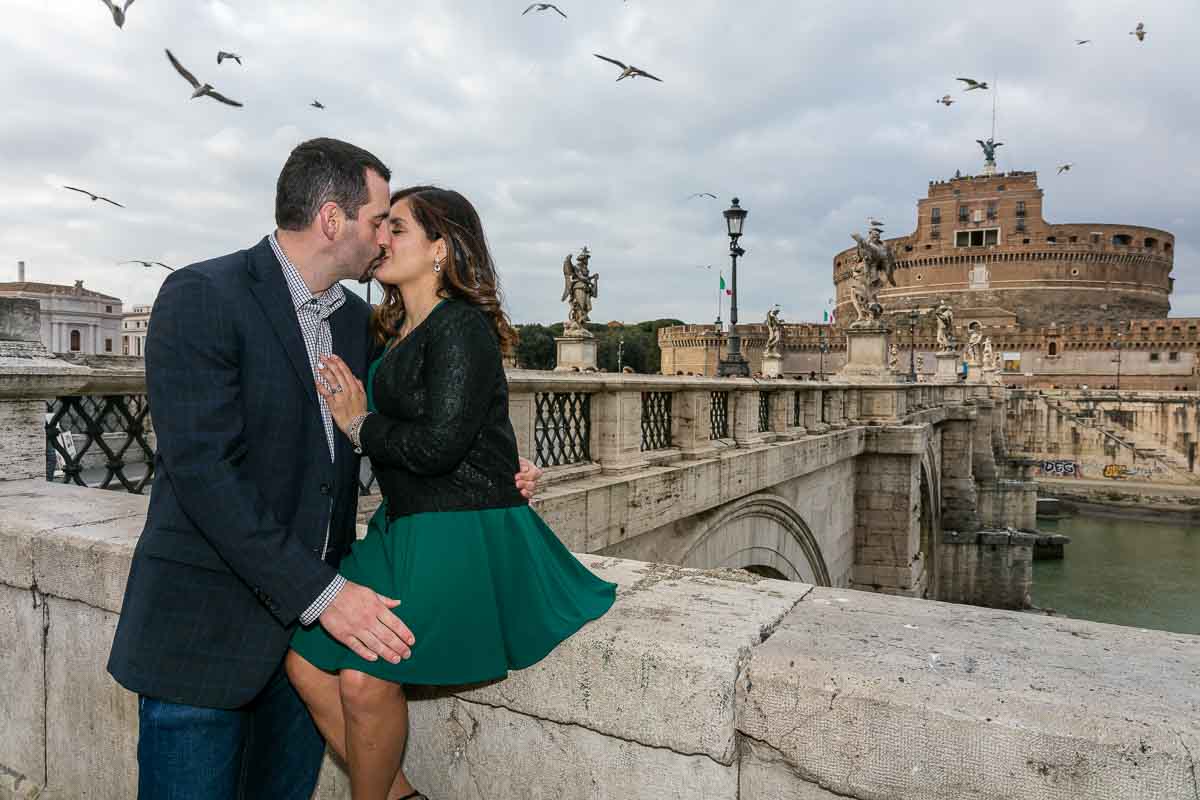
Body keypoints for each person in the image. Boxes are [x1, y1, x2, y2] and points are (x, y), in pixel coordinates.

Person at [106, 140, 542, 800]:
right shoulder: (203, 294)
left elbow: (435, 413)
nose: (383, 239)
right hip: (207, 634)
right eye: (378, 221)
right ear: (333, 220)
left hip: (305, 647)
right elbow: (202, 474)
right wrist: (324, 594)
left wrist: (495, 472)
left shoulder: (363, 325)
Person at [287, 186, 617, 800]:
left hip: (457, 527)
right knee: (304, 660)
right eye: (380, 226)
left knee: (362, 681)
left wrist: (360, 425)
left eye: (398, 228)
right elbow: (458, 423)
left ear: (441, 249)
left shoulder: (460, 324)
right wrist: (503, 455)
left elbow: (440, 445)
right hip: (404, 524)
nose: (381, 238)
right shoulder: (390, 330)